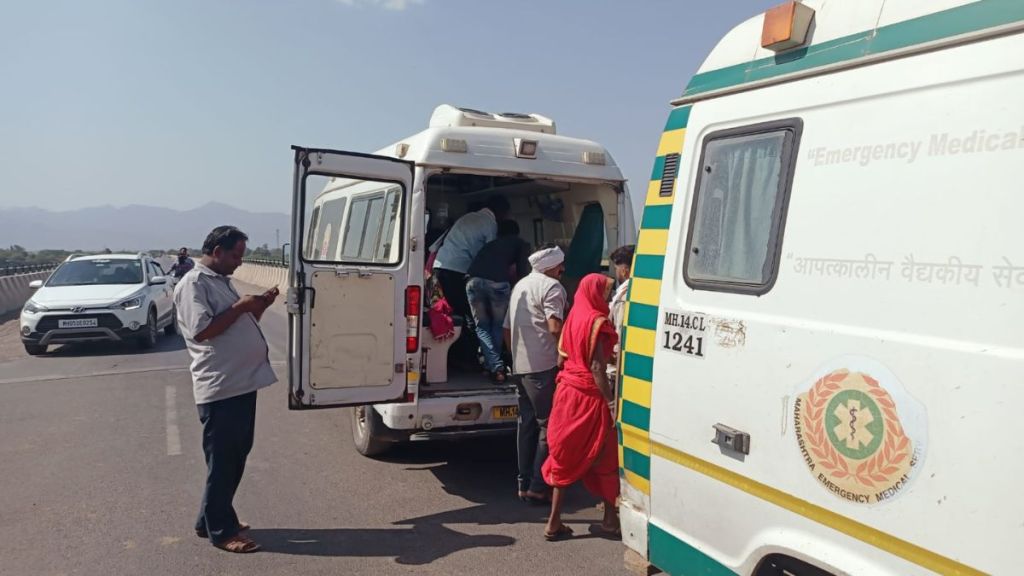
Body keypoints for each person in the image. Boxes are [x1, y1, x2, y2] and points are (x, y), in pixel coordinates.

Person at [173, 226, 279, 554]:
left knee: (234, 457)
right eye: (235, 255)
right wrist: (241, 306)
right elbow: (203, 330)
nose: (238, 263)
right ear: (217, 251)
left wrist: (258, 305)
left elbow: (241, 323)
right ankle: (221, 530)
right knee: (223, 462)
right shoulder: (194, 284)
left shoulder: (220, 282)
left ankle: (208, 519)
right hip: (221, 387)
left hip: (241, 383)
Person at [542, 273, 620, 541]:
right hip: (589, 397)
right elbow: (598, 366)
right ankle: (610, 520)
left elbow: (562, 357)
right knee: (607, 455)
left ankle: (553, 522)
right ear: (594, 292)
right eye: (606, 292)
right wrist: (611, 402)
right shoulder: (596, 321)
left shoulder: (574, 315)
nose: (609, 298)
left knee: (563, 456)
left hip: (567, 394)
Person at [503, 244, 567, 503]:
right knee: (547, 426)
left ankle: (523, 483)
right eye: (560, 266)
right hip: (543, 367)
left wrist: (514, 357)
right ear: (552, 266)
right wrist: (565, 353)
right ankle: (538, 486)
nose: (562, 270)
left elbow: (506, 329)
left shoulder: (521, 285)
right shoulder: (552, 287)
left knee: (526, 424)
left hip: (520, 366)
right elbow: (554, 327)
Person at [431, 195, 512, 368]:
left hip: (440, 267)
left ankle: (455, 357)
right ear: (501, 212)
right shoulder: (490, 224)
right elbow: (491, 252)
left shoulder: (467, 217)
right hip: (457, 270)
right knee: (471, 316)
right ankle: (468, 359)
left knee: (451, 312)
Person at [465, 220, 531, 383]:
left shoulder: (492, 244)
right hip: (498, 285)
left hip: (474, 281)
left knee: (482, 326)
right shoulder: (519, 243)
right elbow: (523, 271)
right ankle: (497, 368)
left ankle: (493, 366)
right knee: (497, 325)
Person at [608, 244, 635, 353]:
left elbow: (619, 333)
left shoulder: (623, 297)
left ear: (624, 270)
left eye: (616, 269)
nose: (616, 272)